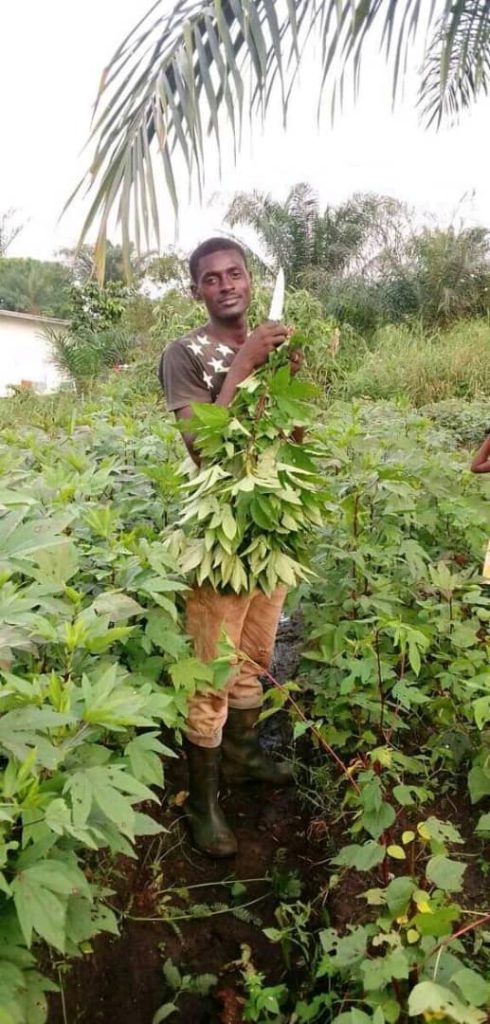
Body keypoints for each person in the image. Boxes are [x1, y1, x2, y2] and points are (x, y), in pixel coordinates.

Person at [159, 237, 300, 858]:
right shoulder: (184, 355)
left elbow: (291, 435)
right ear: (197, 291)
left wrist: (284, 378)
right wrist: (243, 362)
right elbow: (207, 452)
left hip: (268, 527)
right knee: (212, 666)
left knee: (255, 654)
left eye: (234, 273)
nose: (225, 285)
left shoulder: (270, 349)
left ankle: (243, 759)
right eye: (210, 279)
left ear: (250, 279)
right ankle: (204, 805)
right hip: (218, 533)